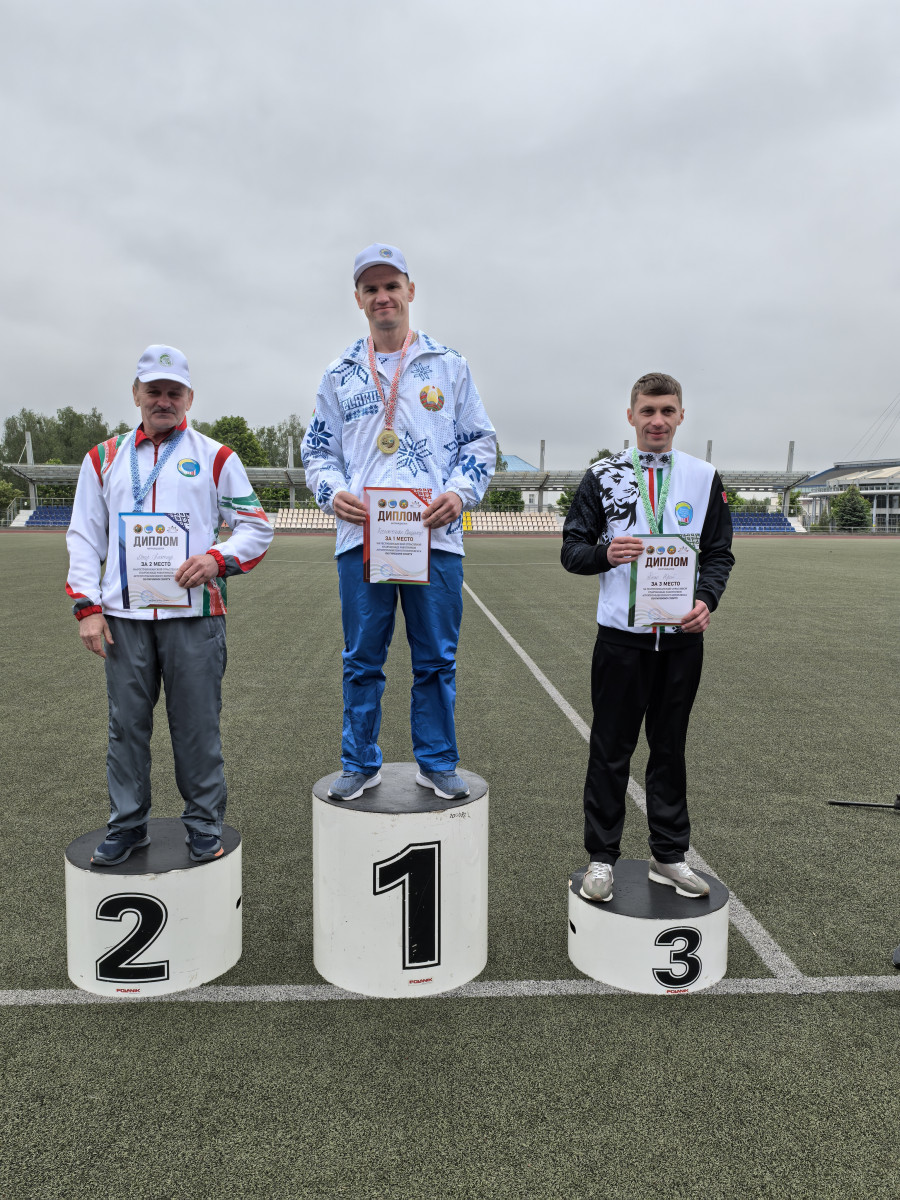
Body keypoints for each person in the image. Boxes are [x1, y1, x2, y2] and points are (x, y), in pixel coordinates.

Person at [302, 243, 496, 801]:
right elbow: (318, 451)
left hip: (435, 536)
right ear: (358, 299)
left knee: (435, 659)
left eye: (392, 286)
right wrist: (332, 493)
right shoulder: (339, 373)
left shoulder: (449, 365)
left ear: (410, 291)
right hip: (362, 537)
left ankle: (436, 761)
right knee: (362, 658)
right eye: (372, 288)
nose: (382, 296)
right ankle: (359, 762)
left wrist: (459, 494)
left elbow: (479, 442)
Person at [66, 345, 273, 865]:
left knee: (197, 725)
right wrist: (88, 607)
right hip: (123, 619)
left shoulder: (216, 456)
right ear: (136, 394)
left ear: (189, 398)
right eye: (153, 391)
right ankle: (127, 825)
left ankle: (203, 824)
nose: (163, 400)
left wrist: (215, 559)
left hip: (193, 615)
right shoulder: (103, 457)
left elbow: (255, 527)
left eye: (173, 392)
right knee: (126, 727)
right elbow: (84, 536)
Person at [561, 372, 734, 901]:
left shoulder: (704, 476)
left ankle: (669, 855)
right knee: (610, 750)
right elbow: (572, 551)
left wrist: (705, 600)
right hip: (622, 640)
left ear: (681, 416)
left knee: (669, 750)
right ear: (631, 415)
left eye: (667, 411)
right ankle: (601, 858)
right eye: (648, 411)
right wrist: (604, 554)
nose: (657, 421)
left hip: (681, 642)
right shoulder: (602, 475)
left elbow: (719, 554)